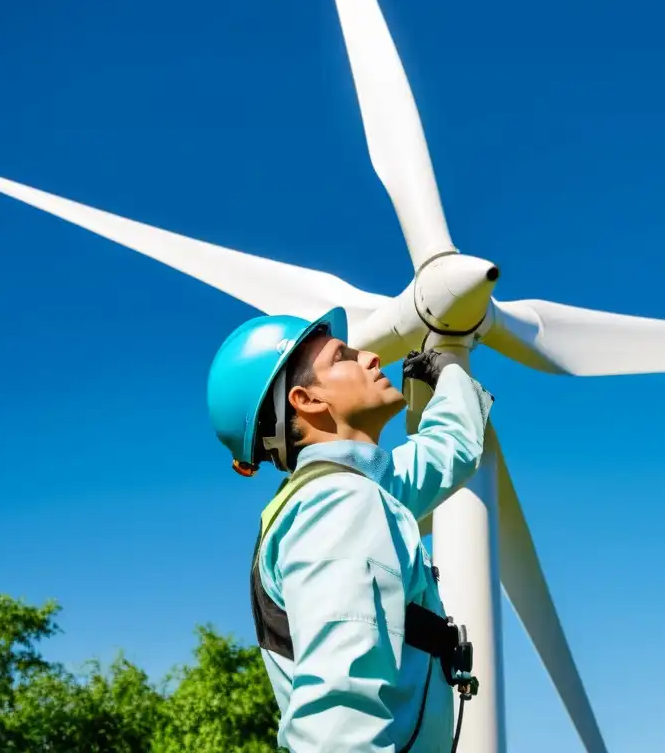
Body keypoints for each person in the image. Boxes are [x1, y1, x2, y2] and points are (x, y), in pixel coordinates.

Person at [206, 306, 494, 752]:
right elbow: (340, 711)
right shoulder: (339, 506)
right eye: (343, 356)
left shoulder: (351, 492)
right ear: (307, 400)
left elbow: (445, 452)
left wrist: (452, 376)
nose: (373, 357)